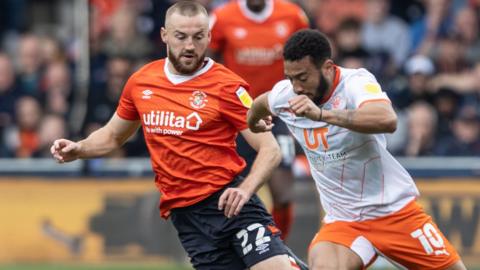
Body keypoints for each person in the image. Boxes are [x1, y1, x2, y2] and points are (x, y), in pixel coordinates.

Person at [50, 2, 306, 270]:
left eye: (198, 37)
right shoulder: (141, 82)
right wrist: (78, 148)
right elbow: (113, 136)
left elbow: (270, 149)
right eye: (181, 36)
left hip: (230, 204)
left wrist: (246, 189)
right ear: (164, 35)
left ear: (209, 36)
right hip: (189, 220)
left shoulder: (227, 85)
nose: (189, 46)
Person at [247, 29, 466, 270]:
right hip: (343, 222)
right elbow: (260, 103)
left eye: (303, 77)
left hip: (394, 213)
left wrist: (322, 115)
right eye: (290, 78)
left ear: (328, 67)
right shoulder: (286, 95)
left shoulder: (355, 82)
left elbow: (387, 119)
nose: (296, 87)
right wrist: (254, 123)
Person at [209, 0, 309, 240]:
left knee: (283, 193)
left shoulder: (292, 16)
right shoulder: (222, 18)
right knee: (235, 191)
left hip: (279, 114)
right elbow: (208, 62)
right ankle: (235, 250)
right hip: (237, 118)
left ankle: (278, 249)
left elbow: (308, 59)